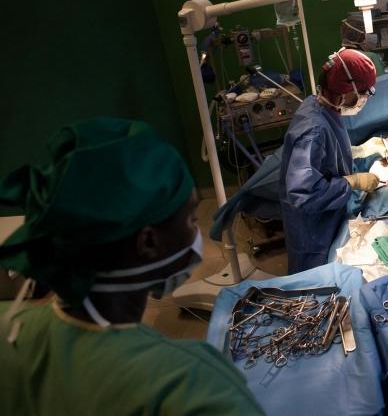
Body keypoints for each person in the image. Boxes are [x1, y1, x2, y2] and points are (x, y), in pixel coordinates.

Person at [0, 118, 263, 415]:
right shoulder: (189, 388)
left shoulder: (10, 330)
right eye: (190, 220)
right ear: (148, 242)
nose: (198, 233)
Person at [279, 48, 383, 273]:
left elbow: (325, 155)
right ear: (345, 92)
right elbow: (303, 193)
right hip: (314, 228)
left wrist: (356, 152)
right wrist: (351, 182)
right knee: (315, 284)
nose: (364, 99)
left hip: (327, 215)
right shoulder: (313, 130)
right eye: (363, 93)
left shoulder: (320, 104)